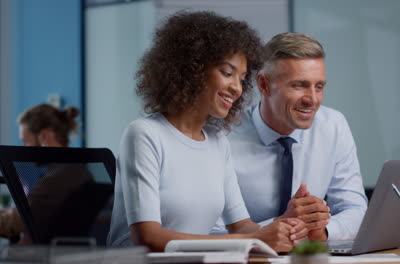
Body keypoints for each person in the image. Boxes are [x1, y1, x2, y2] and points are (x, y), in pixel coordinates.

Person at [107, 11, 308, 252]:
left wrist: (284, 227)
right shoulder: (144, 134)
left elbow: (241, 226)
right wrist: (255, 240)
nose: (236, 88)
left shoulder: (217, 141)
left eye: (242, 79)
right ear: (192, 69)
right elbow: (148, 238)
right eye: (227, 73)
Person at [220, 32, 368, 242]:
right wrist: (279, 226)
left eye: (319, 87)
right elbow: (209, 231)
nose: (313, 100)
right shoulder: (223, 137)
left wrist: (322, 230)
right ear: (264, 85)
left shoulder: (333, 125)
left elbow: (355, 209)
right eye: (299, 85)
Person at [0, 104, 81, 240]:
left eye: (26, 142)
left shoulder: (59, 178)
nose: (24, 149)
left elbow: (15, 222)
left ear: (44, 136)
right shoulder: (75, 170)